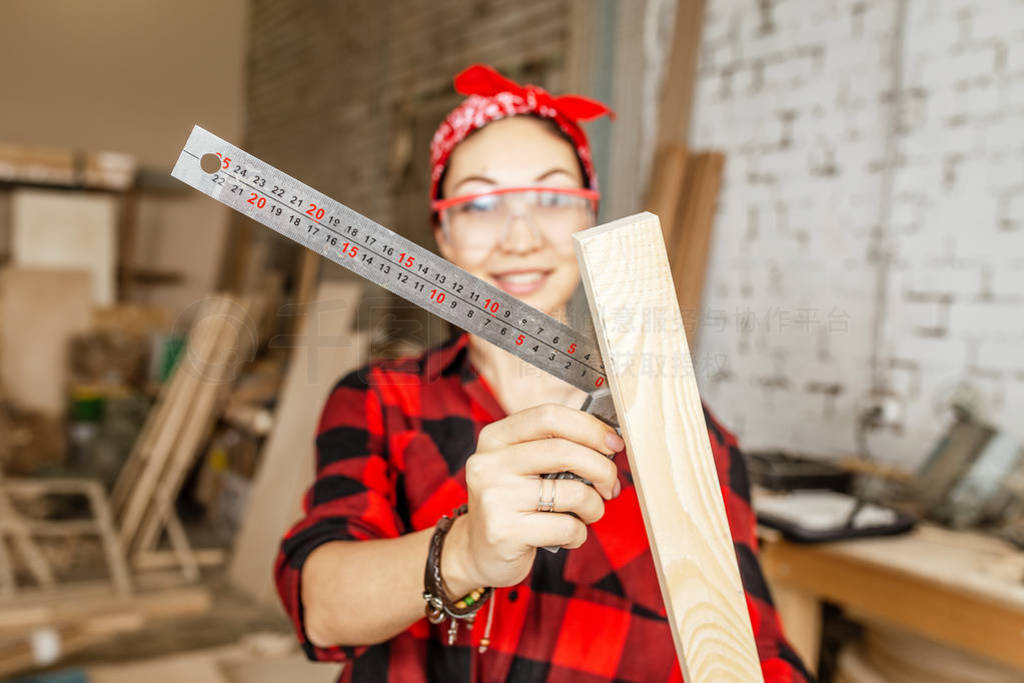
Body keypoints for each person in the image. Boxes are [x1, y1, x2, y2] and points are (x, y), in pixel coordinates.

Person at [275, 64, 813, 682]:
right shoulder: (378, 399)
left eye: (554, 198)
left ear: (591, 219)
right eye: (479, 204)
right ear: (441, 234)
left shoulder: (690, 437)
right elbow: (319, 611)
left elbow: (755, 650)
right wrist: (465, 552)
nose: (521, 237)